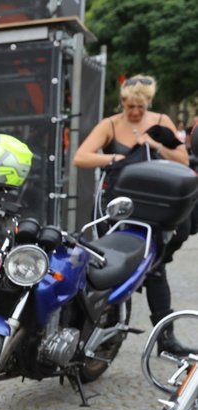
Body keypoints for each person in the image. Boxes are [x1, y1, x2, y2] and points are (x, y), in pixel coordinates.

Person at [73, 74, 193, 355]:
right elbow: (81, 157)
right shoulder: (111, 124)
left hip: (153, 206)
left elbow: (184, 160)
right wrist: (114, 159)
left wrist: (157, 146)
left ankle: (166, 339)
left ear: (148, 102)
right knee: (108, 265)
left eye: (141, 107)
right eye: (130, 107)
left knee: (154, 269)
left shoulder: (161, 122)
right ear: (123, 103)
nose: (136, 113)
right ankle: (104, 333)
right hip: (115, 205)